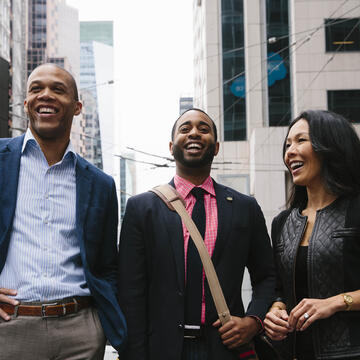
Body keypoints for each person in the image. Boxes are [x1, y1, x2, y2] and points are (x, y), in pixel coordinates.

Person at [118, 108, 276, 360]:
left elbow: (267, 276)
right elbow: (130, 293)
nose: (194, 133)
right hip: (162, 350)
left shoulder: (245, 208)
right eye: (185, 129)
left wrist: (253, 322)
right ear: (172, 146)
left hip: (227, 348)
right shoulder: (142, 209)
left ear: (216, 147)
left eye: (204, 129)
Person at [0, 63, 126, 359]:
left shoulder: (101, 184)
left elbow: (107, 265)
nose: (46, 95)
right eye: (36, 89)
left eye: (58, 89)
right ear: (26, 103)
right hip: (9, 328)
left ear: (77, 106)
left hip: (80, 333)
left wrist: (98, 325)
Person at [264, 110, 360, 359]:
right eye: (287, 144)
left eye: (300, 140)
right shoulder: (282, 223)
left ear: (330, 146)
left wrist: (335, 302)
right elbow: (278, 287)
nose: (290, 152)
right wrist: (276, 308)